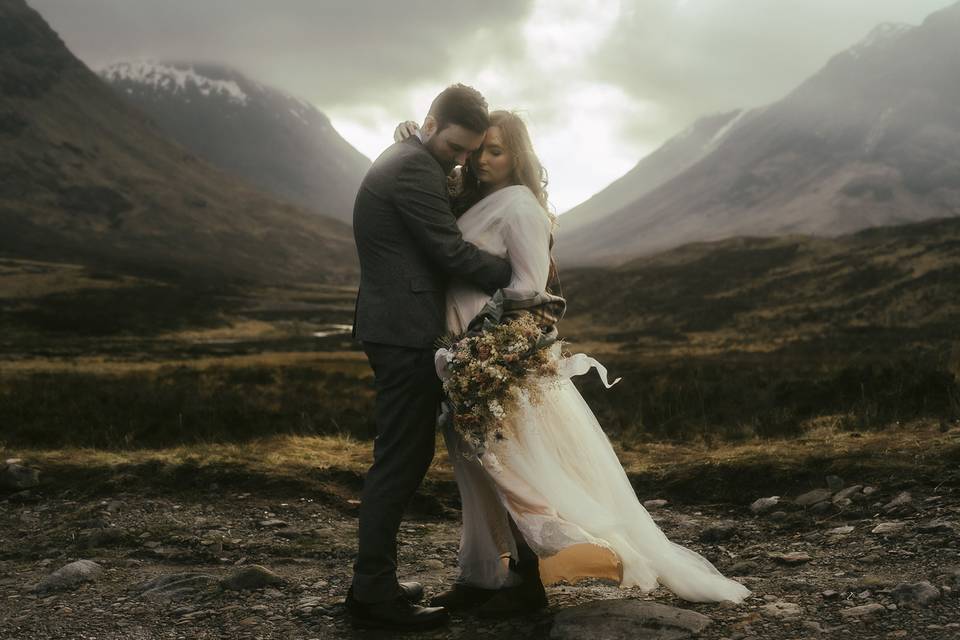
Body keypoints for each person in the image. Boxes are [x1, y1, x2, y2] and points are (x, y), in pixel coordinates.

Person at [393, 111, 751, 617]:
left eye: (495, 151)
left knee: (508, 470)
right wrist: (413, 137)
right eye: (477, 152)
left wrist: (484, 344)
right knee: (476, 470)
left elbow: (528, 287)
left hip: (492, 354)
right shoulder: (475, 200)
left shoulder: (519, 206)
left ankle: (526, 584)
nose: (481, 161)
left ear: (518, 156)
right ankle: (480, 576)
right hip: (461, 355)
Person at [347, 84, 513, 631]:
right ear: (430, 122)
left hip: (398, 326)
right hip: (404, 332)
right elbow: (446, 249)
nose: (461, 160)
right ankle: (374, 595)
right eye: (456, 148)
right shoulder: (414, 167)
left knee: (402, 455)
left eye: (470, 152)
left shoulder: (412, 155)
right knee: (399, 458)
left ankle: (375, 582)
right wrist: (514, 275)